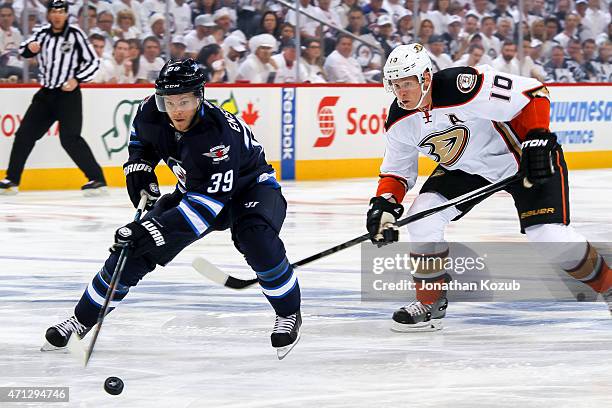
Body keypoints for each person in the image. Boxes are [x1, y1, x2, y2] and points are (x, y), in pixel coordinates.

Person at [42, 59, 302, 359]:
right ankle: (80, 319)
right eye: (170, 102)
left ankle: (288, 312)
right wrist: (139, 168)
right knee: (131, 252)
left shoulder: (215, 136)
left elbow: (206, 211)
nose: (177, 110)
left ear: (199, 97)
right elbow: (141, 142)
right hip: (196, 190)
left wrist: (153, 230)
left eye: (185, 101)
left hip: (250, 189)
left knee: (255, 238)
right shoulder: (149, 110)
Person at [366, 43, 612, 331]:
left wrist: (537, 136)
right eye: (395, 85)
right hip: (468, 170)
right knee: (424, 215)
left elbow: (534, 93)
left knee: (547, 235)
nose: (401, 92)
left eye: (407, 83)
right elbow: (396, 172)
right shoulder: (399, 120)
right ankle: (430, 300)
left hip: (522, 158)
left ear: (426, 78)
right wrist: (384, 205)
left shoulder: (462, 86)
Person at [0, 0, 106, 196]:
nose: (57, 15)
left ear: (66, 14)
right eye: (54, 11)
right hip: (46, 94)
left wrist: (77, 79)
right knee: (24, 135)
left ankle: (97, 179)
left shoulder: (75, 34)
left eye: (61, 11)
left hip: (68, 95)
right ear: (49, 14)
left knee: (70, 138)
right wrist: (29, 48)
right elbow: (23, 49)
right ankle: (12, 179)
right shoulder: (42, 33)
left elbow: (93, 61)